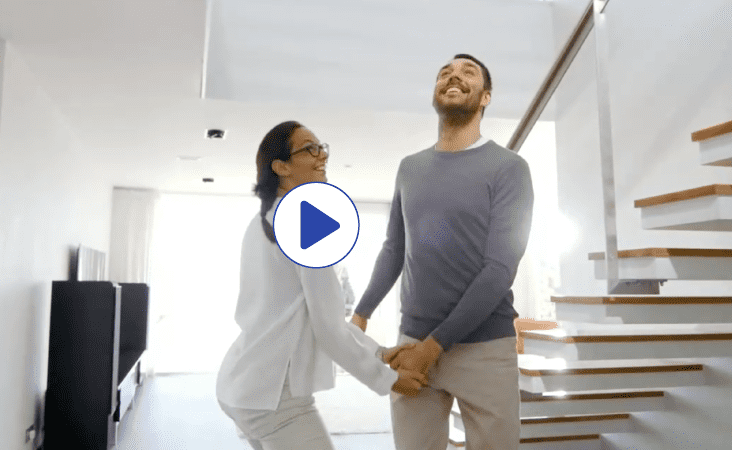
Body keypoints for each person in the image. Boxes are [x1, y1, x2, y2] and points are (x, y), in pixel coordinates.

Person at [350, 54, 534, 450]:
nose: (454, 76)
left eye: (468, 72)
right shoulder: (409, 167)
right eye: (445, 73)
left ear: (485, 97)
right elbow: (394, 249)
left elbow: (499, 269)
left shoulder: (509, 168)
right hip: (411, 345)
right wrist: (361, 314)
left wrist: (433, 347)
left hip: (483, 349)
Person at [216, 121, 428, 450]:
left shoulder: (264, 221)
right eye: (309, 149)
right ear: (281, 167)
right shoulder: (303, 223)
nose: (322, 156)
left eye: (322, 147)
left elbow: (311, 316)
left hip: (242, 387)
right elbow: (327, 328)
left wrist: (380, 352)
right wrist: (389, 380)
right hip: (275, 398)